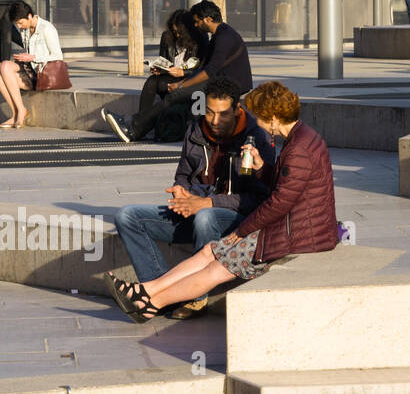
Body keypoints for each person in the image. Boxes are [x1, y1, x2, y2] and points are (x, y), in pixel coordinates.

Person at [104, 81, 337, 322]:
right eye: (210, 112)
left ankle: (152, 303)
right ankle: (148, 291)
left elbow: (278, 202)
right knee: (208, 251)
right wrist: (262, 170)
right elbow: (286, 187)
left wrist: (242, 230)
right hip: (287, 226)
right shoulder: (301, 139)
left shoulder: (296, 148)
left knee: (216, 266)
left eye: (260, 117)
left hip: (295, 233)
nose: (257, 121)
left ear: (274, 119)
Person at [111, 76, 276, 318]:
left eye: (223, 114)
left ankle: (194, 299)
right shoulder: (196, 130)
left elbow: (260, 199)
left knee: (206, 217)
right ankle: (158, 293)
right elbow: (183, 175)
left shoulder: (256, 138)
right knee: (127, 216)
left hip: (234, 221)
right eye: (210, 113)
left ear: (237, 110)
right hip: (195, 210)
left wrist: (208, 203)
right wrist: (181, 191)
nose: (215, 121)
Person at [103, 0, 252, 143]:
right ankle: (135, 128)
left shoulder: (224, 37)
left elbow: (208, 72)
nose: (195, 25)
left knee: (175, 95)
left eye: (197, 21)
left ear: (207, 19)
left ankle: (133, 127)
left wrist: (182, 84)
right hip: (219, 81)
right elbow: (207, 69)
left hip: (229, 85)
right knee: (160, 86)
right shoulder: (221, 34)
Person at [136, 10, 208, 130]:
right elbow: (163, 60)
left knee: (158, 83)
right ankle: (141, 122)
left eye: (180, 32)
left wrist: (183, 72)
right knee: (152, 81)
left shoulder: (200, 39)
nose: (177, 35)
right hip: (170, 77)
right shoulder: (167, 37)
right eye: (174, 32)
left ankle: (140, 124)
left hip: (190, 80)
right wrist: (160, 70)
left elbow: (204, 69)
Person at [1, 1, 62, 128]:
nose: (19, 26)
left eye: (20, 22)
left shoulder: (47, 28)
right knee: (4, 66)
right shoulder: (26, 30)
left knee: (6, 67)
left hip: (44, 75)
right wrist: (23, 58)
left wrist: (33, 57)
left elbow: (58, 56)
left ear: (29, 16)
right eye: (17, 24)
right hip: (31, 69)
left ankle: (20, 112)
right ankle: (18, 112)